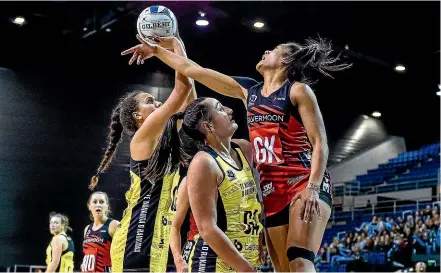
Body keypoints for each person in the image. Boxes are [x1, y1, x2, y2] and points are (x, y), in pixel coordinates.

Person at [121, 34, 351, 272]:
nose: (265, 51)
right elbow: (193, 70)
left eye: (273, 50)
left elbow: (320, 142)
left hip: (302, 179)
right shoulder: (249, 90)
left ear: (286, 60)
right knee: (283, 268)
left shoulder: (298, 91)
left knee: (299, 260)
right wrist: (159, 51)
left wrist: (313, 187)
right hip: (272, 190)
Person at [92, 32, 196, 272]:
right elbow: (182, 88)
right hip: (136, 237)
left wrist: (177, 47)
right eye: (150, 101)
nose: (157, 103)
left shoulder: (165, 137)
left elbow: (190, 102)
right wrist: (176, 45)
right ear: (137, 116)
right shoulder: (142, 137)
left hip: (155, 237)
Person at [145, 97, 264, 272]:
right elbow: (207, 229)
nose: (230, 110)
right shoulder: (203, 163)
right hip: (213, 262)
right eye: (220, 108)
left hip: (247, 258)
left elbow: (252, 203)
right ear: (208, 127)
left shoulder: (244, 149)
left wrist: (259, 237)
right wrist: (178, 259)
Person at [81, 192, 120, 272]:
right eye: (95, 202)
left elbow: (122, 254)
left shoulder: (113, 225)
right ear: (89, 206)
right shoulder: (87, 229)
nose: (98, 205)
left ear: (107, 206)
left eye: (101, 202)